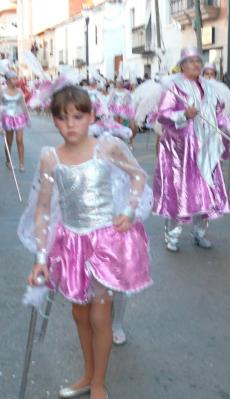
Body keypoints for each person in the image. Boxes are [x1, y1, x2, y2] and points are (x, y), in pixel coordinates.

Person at [18, 85, 152, 399]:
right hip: (72, 244)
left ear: (91, 116)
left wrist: (130, 209)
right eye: (63, 118)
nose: (71, 124)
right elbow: (43, 208)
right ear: (54, 121)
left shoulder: (106, 148)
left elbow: (138, 176)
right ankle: (88, 373)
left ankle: (98, 383)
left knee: (99, 313)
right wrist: (41, 258)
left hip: (106, 241)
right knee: (79, 313)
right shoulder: (51, 159)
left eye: (78, 117)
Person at [153, 46, 230, 252]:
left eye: (198, 61)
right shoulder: (174, 88)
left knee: (206, 191)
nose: (195, 65)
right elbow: (163, 115)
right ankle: (172, 236)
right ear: (182, 65)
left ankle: (200, 233)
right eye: (190, 61)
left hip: (207, 148)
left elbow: (219, 115)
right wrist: (184, 115)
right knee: (180, 191)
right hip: (182, 150)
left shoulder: (210, 88)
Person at [1, 70, 30, 171]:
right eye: (14, 78)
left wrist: (27, 117)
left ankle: (21, 164)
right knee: (9, 142)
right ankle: (8, 161)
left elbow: (23, 104)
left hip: (18, 118)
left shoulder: (19, 91)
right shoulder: (2, 91)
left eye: (16, 78)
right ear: (8, 80)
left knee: (19, 140)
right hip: (7, 118)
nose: (16, 80)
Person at [107, 79, 137, 148]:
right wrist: (108, 109)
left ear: (123, 84)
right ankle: (117, 141)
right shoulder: (113, 91)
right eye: (118, 83)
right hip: (115, 109)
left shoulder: (126, 92)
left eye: (120, 83)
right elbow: (110, 100)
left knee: (121, 124)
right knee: (116, 125)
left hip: (123, 109)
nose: (119, 84)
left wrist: (127, 106)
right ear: (116, 83)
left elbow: (129, 101)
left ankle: (122, 141)